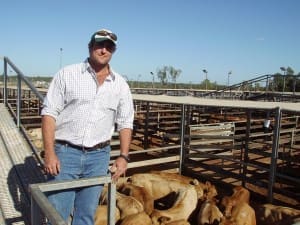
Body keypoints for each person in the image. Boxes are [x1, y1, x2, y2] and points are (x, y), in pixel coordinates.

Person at [41, 28, 134, 225]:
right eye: (100, 45)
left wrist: (124, 156)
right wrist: (49, 152)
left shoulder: (120, 85)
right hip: (66, 153)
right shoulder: (68, 74)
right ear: (90, 47)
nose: (103, 50)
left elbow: (125, 122)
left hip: (99, 157)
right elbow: (49, 113)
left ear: (113, 51)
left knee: (86, 215)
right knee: (57, 213)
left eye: (109, 47)